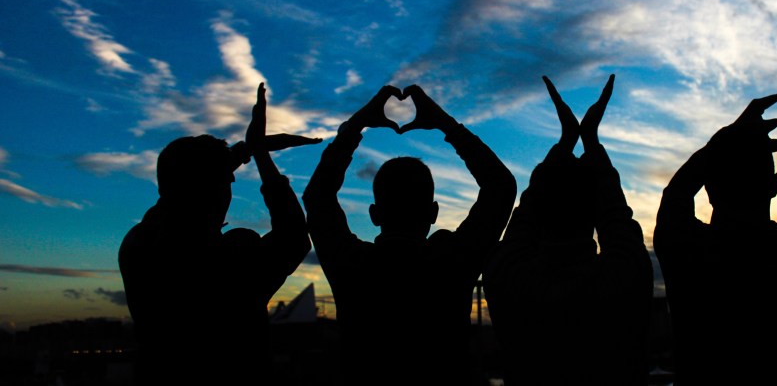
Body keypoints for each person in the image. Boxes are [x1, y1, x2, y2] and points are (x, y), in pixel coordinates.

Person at [302, 84, 517, 385]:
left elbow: (318, 197)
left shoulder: (351, 263)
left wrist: (356, 126)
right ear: (434, 213)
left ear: (374, 214)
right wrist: (446, 124)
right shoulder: (452, 260)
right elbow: (501, 187)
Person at [119, 84, 318, 385]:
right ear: (216, 190)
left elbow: (176, 194)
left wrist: (238, 154)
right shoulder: (229, 256)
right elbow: (293, 237)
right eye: (227, 182)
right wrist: (260, 155)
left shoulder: (139, 242)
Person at [484, 76, 653, 386]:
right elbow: (616, 219)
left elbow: (524, 220)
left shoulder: (507, 276)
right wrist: (589, 140)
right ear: (595, 211)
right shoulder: (623, 275)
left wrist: (568, 141)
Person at [654, 91, 777, 385]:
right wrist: (732, 143)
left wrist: (724, 139)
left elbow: (677, 193)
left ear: (708, 189)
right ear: (775, 185)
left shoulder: (688, 249)